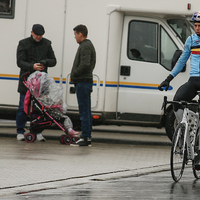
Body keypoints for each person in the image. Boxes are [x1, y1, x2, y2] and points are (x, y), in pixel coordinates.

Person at [158, 11, 200, 167]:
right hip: (194, 80)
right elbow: (182, 61)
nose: (197, 28)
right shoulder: (190, 40)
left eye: (199, 26)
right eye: (195, 25)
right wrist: (168, 79)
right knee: (177, 101)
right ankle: (184, 134)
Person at [16, 24, 57, 141]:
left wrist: (44, 62)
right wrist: (32, 66)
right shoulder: (23, 43)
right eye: (37, 35)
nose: (39, 37)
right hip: (26, 81)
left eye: (41, 35)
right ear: (32, 32)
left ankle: (37, 131)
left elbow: (53, 61)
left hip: (40, 82)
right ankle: (20, 131)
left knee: (39, 108)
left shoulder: (47, 43)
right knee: (22, 107)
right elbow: (19, 62)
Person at [70, 24, 96, 146]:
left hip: (83, 82)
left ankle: (85, 137)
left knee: (84, 111)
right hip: (85, 82)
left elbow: (85, 64)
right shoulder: (87, 45)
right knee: (86, 111)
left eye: (75, 34)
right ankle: (87, 136)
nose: (75, 37)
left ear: (81, 34)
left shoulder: (85, 46)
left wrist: (74, 74)